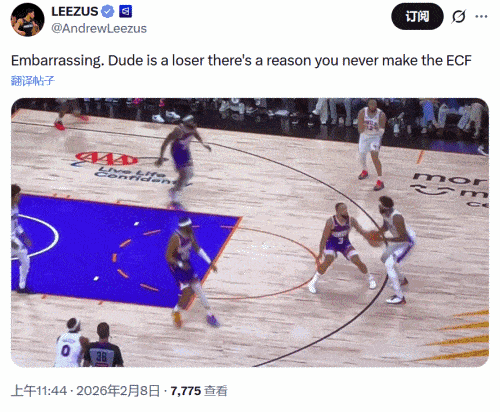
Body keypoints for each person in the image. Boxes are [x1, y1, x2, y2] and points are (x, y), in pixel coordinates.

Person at [308, 203, 377, 294]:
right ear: (337, 211)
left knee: (357, 260)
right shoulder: (331, 222)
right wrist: (320, 253)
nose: (346, 211)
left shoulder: (351, 220)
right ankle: (313, 282)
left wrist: (369, 236)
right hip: (331, 244)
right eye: (343, 210)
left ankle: (370, 278)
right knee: (328, 260)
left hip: (344, 244)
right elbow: (324, 238)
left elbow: (361, 231)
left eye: (346, 209)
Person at [167, 217, 220, 328]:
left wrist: (210, 262)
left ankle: (210, 314)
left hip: (186, 264)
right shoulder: (175, 238)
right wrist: (181, 264)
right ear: (184, 228)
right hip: (177, 267)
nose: (191, 228)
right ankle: (176, 312)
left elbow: (197, 248)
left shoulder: (190, 234)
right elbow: (168, 257)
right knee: (187, 293)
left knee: (198, 288)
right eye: (189, 226)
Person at [155, 115, 212, 202]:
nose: (196, 124)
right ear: (189, 123)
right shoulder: (178, 130)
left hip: (185, 151)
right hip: (177, 152)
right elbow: (165, 143)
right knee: (185, 174)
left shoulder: (192, 128)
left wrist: (204, 144)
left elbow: (197, 135)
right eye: (194, 122)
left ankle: (175, 190)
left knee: (190, 174)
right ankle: (174, 192)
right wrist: (161, 157)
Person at [375, 196, 416, 305]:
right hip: (400, 240)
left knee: (389, 264)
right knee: (384, 258)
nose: (379, 206)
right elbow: (386, 226)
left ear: (385, 207)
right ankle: (402, 280)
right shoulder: (385, 213)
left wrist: (385, 239)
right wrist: (377, 234)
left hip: (407, 242)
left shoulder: (397, 218)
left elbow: (404, 238)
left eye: (380, 205)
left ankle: (400, 297)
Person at [357, 99, 386, 191]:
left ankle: (380, 180)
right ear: (368, 105)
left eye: (374, 105)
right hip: (364, 136)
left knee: (374, 157)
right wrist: (363, 126)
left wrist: (377, 129)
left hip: (375, 137)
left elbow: (382, 131)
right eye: (371, 105)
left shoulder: (381, 114)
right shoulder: (362, 112)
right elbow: (360, 130)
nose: (373, 107)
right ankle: (365, 170)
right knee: (361, 155)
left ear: (376, 106)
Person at [11, 184, 33, 294]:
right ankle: (22, 286)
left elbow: (16, 224)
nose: (19, 197)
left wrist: (24, 236)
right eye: (18, 195)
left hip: (12, 239)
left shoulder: (15, 207)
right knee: (23, 253)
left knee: (25, 259)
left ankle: (22, 286)